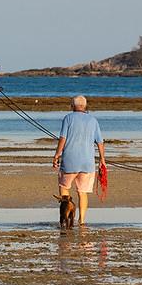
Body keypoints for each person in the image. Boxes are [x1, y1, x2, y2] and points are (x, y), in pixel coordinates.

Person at [52, 95, 105, 226]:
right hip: (87, 163)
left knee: (64, 189)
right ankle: (81, 221)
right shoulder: (93, 120)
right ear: (85, 106)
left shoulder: (68, 118)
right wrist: (102, 159)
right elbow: (100, 142)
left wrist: (57, 154)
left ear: (72, 106)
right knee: (83, 192)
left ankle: (65, 217)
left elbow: (63, 138)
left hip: (70, 160)